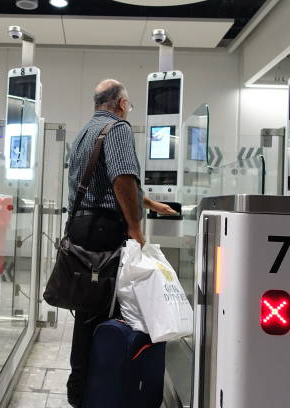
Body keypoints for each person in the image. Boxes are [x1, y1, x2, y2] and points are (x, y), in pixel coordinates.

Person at [65, 79, 176, 407]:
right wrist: (136, 228)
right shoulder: (119, 129)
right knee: (104, 315)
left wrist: (149, 203)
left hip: (82, 230)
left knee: (88, 312)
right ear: (121, 103)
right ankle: (95, 390)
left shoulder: (86, 131)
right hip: (104, 232)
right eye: (128, 104)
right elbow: (122, 179)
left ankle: (82, 388)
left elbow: (105, 180)